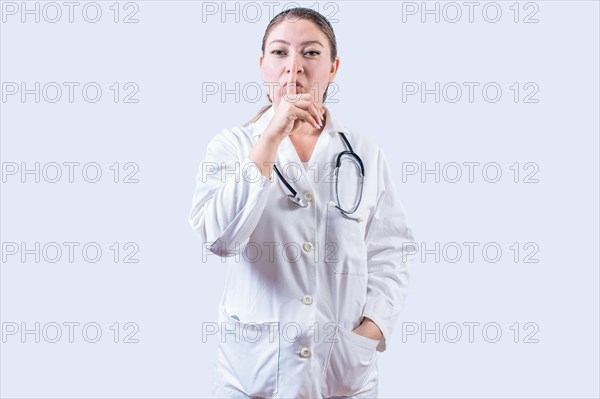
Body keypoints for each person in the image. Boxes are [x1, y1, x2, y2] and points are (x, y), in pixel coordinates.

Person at [188, 7, 415, 398]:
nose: (294, 69)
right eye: (279, 53)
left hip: (343, 373)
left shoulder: (363, 153)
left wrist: (372, 327)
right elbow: (219, 240)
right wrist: (270, 138)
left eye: (311, 53)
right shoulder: (231, 146)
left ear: (333, 68)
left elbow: (391, 250)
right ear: (262, 66)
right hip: (253, 373)